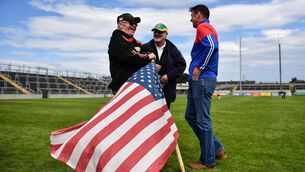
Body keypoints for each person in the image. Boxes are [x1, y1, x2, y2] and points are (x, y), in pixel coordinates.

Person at [185, 4, 227, 169]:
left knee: (202, 121)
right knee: (190, 116)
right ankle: (217, 148)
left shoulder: (203, 27)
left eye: (192, 16)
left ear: (198, 15)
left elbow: (211, 46)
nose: (191, 20)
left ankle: (207, 160)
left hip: (202, 79)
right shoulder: (207, 28)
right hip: (200, 80)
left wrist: (199, 67)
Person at [108, 13, 156, 94]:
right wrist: (147, 57)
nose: (134, 26)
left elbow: (149, 50)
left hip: (133, 86)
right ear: (121, 25)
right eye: (131, 23)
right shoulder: (117, 38)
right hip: (122, 87)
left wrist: (144, 53)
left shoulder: (132, 41)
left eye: (136, 24)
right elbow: (131, 59)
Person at [143, 23, 186, 109]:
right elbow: (138, 63)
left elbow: (181, 65)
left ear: (166, 34)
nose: (157, 33)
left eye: (160, 32)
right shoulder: (145, 47)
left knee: (164, 118)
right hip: (148, 90)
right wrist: (150, 67)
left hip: (167, 91)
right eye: (155, 31)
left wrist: (168, 76)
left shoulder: (173, 49)